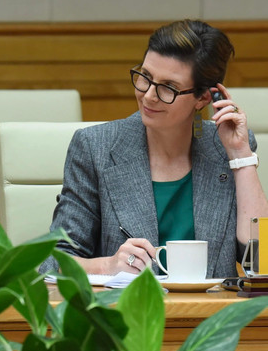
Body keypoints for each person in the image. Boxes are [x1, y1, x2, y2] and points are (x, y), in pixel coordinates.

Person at [41, 19, 268, 278]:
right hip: (127, 313)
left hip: (211, 313)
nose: (148, 95)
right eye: (145, 77)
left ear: (204, 98)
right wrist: (108, 266)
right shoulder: (95, 148)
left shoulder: (226, 151)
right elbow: (52, 263)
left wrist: (240, 156)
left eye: (168, 88)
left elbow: (263, 262)